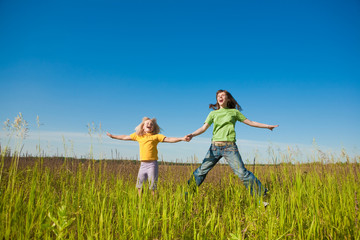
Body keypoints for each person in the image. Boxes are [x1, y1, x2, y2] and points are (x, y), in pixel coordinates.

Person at [186, 90, 279, 199]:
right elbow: (203, 128)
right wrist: (192, 135)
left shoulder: (234, 112)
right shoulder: (213, 113)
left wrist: (267, 126)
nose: (220, 97)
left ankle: (262, 196)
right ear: (217, 99)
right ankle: (187, 194)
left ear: (227, 99)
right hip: (214, 147)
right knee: (201, 171)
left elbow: (251, 122)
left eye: (223, 96)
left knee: (242, 173)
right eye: (218, 96)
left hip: (230, 148)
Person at [107, 117, 187, 197]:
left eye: (151, 124)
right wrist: (113, 136)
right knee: (139, 185)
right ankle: (140, 202)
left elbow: (169, 139)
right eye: (147, 124)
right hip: (142, 165)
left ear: (153, 128)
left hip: (152, 165)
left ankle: (153, 202)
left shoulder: (156, 136)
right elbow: (125, 137)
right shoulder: (139, 136)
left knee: (152, 186)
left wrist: (181, 138)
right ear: (143, 127)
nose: (149, 125)